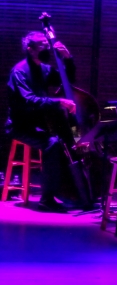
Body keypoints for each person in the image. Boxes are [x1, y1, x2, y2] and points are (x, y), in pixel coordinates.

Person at [6, 31, 77, 212]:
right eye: (42, 45)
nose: (47, 48)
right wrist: (58, 101)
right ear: (30, 49)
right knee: (52, 144)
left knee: (62, 142)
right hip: (21, 125)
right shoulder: (19, 71)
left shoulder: (44, 69)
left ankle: (70, 191)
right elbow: (28, 100)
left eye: (47, 44)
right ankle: (46, 199)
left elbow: (66, 80)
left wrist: (68, 59)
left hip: (40, 124)